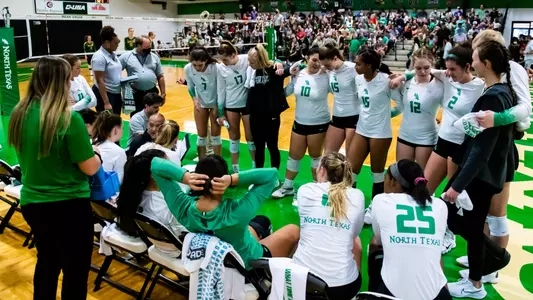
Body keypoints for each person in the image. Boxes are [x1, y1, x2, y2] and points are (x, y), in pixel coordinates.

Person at [7, 56, 101, 299]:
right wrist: (97, 156)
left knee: (47, 262)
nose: (71, 84)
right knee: (75, 269)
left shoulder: (19, 112)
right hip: (69, 205)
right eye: (69, 80)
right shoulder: (68, 119)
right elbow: (90, 168)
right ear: (60, 83)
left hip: (33, 204)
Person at [453, 29, 532, 284]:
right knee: (479, 215)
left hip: (499, 149)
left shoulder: (513, 72)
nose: (472, 58)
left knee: (495, 213)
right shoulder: (492, 82)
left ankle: (492, 262)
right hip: (492, 143)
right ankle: (481, 256)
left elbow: (524, 110)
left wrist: (496, 119)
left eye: (476, 52)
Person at [442, 40, 514, 299]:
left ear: (486, 63)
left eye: (474, 60)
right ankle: (481, 267)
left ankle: (476, 282)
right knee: (472, 227)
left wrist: (457, 185)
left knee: (466, 225)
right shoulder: (501, 90)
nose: (471, 64)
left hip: (481, 176)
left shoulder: (494, 97)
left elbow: (482, 148)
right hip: (486, 174)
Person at [150, 155, 300, 269]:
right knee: (293, 230)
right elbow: (272, 175)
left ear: (197, 177)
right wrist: (232, 179)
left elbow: (155, 164)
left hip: (214, 262)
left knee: (258, 224)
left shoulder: (182, 207)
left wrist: (185, 177)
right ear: (222, 180)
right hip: (247, 264)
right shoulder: (237, 212)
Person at [368, 160, 450, 300]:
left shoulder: (381, 201)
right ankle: (443, 286)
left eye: (386, 178)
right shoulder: (439, 205)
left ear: (393, 181)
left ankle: (375, 291)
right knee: (432, 249)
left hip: (393, 294)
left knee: (374, 245)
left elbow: (378, 241)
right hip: (437, 296)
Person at [292, 152, 364, 300]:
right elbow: (354, 234)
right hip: (343, 288)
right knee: (355, 241)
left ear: (322, 170)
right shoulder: (357, 196)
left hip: (303, 282)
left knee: (304, 234)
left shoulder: (305, 191)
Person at [346, 48, 401, 224]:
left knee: (377, 173)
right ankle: (351, 205)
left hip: (380, 133)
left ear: (369, 65)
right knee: (351, 170)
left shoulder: (386, 81)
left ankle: (375, 208)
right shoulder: (358, 79)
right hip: (362, 130)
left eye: (358, 64)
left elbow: (400, 105)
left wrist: (387, 115)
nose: (355, 66)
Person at [272, 46, 330, 198]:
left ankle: (317, 189)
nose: (317, 63)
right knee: (293, 156)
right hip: (299, 122)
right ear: (307, 58)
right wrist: (279, 70)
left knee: (315, 157)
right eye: (314, 60)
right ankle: (288, 186)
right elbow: (286, 91)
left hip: (319, 123)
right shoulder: (298, 73)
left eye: (320, 61)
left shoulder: (326, 76)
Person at [117, 149, 187, 257]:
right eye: (167, 167)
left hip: (161, 244)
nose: (172, 169)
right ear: (153, 175)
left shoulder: (133, 194)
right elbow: (185, 231)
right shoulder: (166, 204)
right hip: (177, 249)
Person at [393, 48, 444, 168]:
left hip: (427, 138)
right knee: (402, 175)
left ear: (432, 64)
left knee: (422, 179)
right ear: (413, 67)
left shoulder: (440, 85)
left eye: (426, 67)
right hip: (405, 135)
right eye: (418, 68)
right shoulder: (406, 82)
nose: (422, 71)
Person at [247, 44, 290, 170]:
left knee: (272, 147)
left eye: (252, 62)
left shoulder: (274, 70)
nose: (249, 64)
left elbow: (294, 68)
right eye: (249, 62)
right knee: (258, 147)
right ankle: (259, 175)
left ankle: (274, 175)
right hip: (254, 117)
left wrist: (279, 62)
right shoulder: (251, 71)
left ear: (260, 60)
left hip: (271, 118)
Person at [216, 41, 255, 173]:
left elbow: (264, 61)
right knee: (234, 136)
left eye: (226, 59)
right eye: (221, 60)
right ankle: (235, 168)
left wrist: (277, 61)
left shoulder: (246, 60)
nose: (224, 63)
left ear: (234, 54)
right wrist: (221, 114)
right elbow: (220, 91)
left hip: (247, 105)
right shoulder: (220, 68)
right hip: (230, 105)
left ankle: (255, 166)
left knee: (250, 136)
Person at [319, 44, 359, 155]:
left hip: (354, 117)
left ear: (335, 58)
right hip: (337, 117)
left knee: (350, 159)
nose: (325, 68)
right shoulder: (330, 71)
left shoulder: (352, 68)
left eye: (327, 65)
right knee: (327, 156)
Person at [184, 46, 222, 158]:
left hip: (215, 103)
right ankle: (202, 162)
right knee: (201, 135)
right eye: (194, 65)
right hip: (201, 103)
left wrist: (219, 107)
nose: (197, 68)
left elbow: (221, 87)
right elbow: (190, 87)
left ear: (205, 60)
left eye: (200, 65)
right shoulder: (188, 68)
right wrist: (194, 100)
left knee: (215, 135)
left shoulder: (216, 68)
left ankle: (217, 161)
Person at [119, 36, 166, 115]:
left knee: (153, 117)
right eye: (147, 47)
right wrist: (123, 84)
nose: (149, 48)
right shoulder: (126, 56)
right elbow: (115, 70)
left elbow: (160, 76)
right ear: (138, 45)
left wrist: (163, 94)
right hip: (135, 94)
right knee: (135, 117)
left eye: (150, 46)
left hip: (152, 93)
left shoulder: (155, 57)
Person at [92, 26, 122, 114]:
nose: (117, 45)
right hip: (105, 95)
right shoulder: (99, 57)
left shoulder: (113, 54)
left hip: (115, 93)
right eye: (116, 43)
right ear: (107, 43)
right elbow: (99, 80)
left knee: (116, 120)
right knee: (107, 123)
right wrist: (107, 102)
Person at [92, 112, 126, 182]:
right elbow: (119, 181)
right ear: (116, 130)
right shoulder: (119, 152)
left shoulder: (92, 144)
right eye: (122, 128)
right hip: (108, 191)